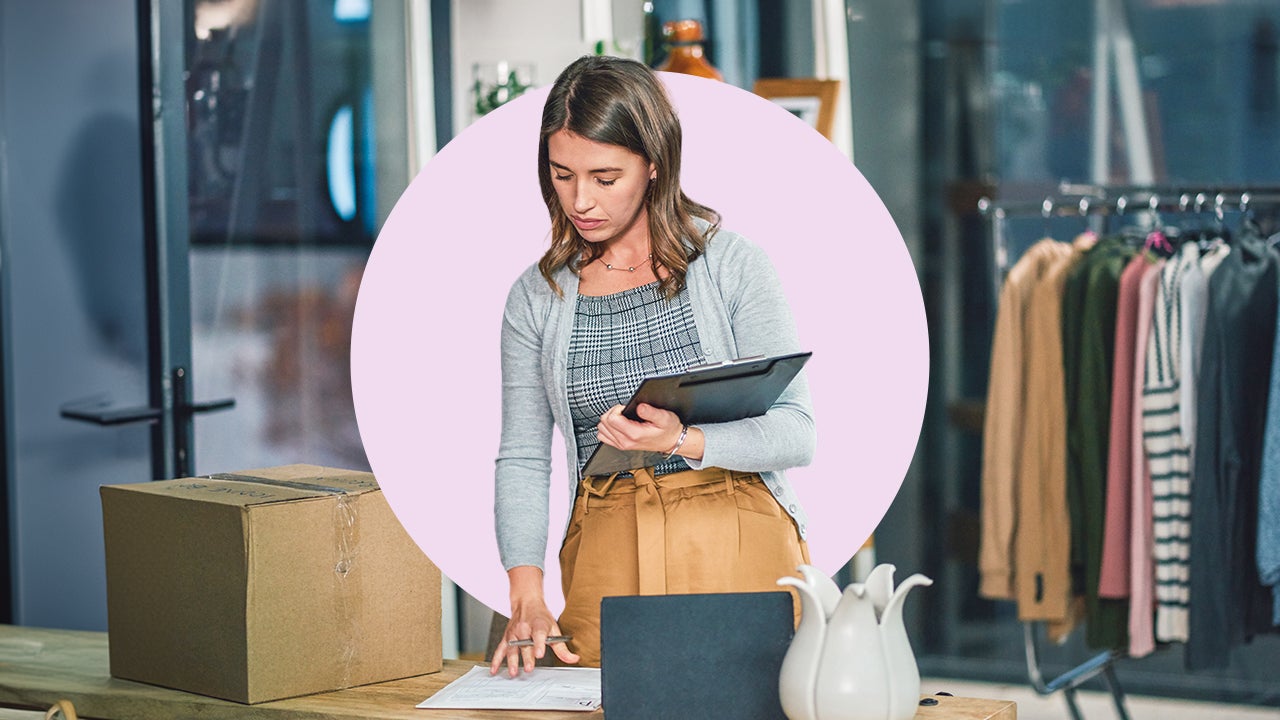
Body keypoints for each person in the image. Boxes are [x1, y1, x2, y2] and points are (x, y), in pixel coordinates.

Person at [490, 55, 815, 677]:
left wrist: (683, 439)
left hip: (735, 524)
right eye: (563, 175)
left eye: (605, 177)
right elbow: (524, 454)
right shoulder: (537, 297)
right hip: (606, 541)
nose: (581, 199)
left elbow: (797, 432)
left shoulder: (732, 265)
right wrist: (526, 591)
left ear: (654, 165)